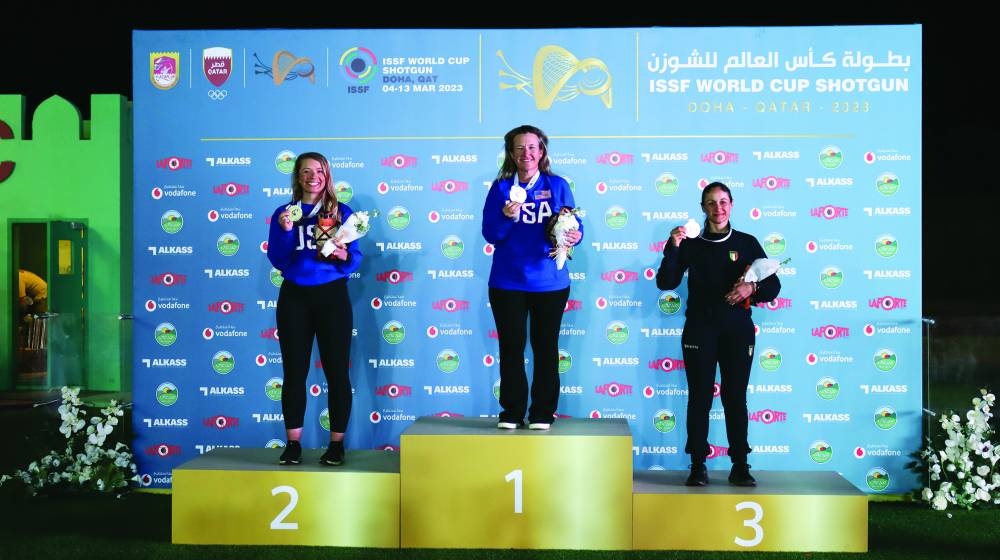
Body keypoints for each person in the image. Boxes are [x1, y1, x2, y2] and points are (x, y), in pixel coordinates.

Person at [654, 181, 780, 487]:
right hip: (700, 330)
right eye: (711, 203)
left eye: (723, 202)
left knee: (735, 397)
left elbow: (774, 286)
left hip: (738, 331)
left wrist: (752, 288)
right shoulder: (690, 243)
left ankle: (740, 465)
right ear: (702, 208)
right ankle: (698, 465)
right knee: (699, 398)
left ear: (731, 205)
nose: (718, 208)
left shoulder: (747, 242)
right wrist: (673, 247)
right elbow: (666, 282)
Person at [482, 124, 583, 431]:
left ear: (541, 152)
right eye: (519, 148)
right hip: (507, 282)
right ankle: (512, 411)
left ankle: (542, 412)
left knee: (545, 348)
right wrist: (506, 218)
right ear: (511, 154)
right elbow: (490, 234)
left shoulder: (557, 185)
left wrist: (575, 235)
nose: (526, 153)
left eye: (532, 147)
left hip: (550, 282)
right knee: (511, 348)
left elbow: (573, 224)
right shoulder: (501, 188)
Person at [267, 152, 362, 466]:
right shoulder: (284, 213)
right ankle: (293, 444)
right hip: (295, 297)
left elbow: (354, 258)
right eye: (306, 171)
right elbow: (279, 259)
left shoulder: (342, 212)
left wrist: (343, 254)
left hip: (332, 296)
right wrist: (284, 230)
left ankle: (336, 445)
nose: (313, 177)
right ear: (297, 176)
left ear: (327, 175)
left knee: (337, 373)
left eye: (319, 171)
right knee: (294, 373)